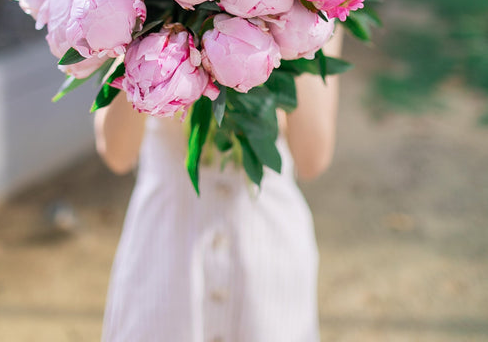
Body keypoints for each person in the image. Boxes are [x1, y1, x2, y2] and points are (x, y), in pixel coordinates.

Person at [95, 26, 342, 342]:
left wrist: (299, 21)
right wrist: (148, 27)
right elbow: (117, 153)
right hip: (165, 258)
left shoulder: (318, 14)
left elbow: (313, 157)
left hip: (266, 260)